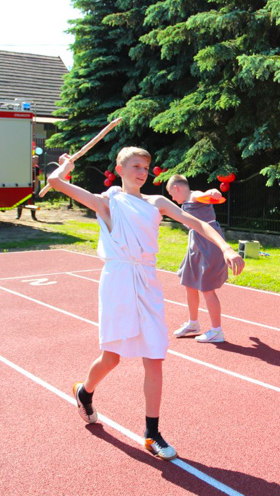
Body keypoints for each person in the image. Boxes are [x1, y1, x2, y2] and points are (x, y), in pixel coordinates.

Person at [47, 147, 244, 460]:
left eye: (146, 167)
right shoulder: (107, 201)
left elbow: (198, 224)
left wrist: (226, 248)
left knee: (154, 355)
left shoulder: (157, 202)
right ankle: (84, 392)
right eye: (136, 166)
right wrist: (65, 167)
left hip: (148, 282)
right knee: (111, 357)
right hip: (118, 281)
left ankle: (152, 434)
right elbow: (55, 183)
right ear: (120, 168)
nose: (142, 172)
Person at [165, 174, 229, 343]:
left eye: (172, 194)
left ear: (177, 188)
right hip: (195, 246)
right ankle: (193, 323)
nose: (172, 198)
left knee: (207, 289)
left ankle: (217, 331)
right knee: (189, 284)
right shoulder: (187, 202)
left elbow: (205, 194)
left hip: (209, 245)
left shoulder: (194, 196)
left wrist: (214, 192)